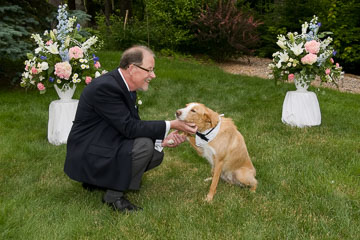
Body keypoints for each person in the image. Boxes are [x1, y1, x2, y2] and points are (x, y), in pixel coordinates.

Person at [64, 45, 197, 212]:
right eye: (149, 70)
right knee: (144, 147)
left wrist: (161, 142)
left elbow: (130, 126)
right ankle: (113, 197)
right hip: (86, 152)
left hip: (104, 140)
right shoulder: (106, 87)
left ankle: (99, 182)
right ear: (132, 68)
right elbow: (129, 128)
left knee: (155, 154)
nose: (153, 75)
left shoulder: (125, 86)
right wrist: (172, 124)